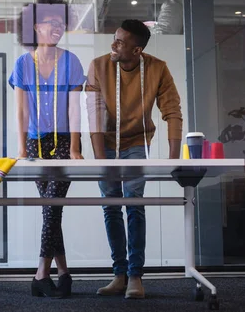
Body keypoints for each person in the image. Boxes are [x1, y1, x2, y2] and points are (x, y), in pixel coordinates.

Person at [85, 19, 182, 299]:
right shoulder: (99, 66)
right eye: (114, 39)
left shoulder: (157, 68)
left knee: (134, 202)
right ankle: (119, 274)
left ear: (137, 50)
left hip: (137, 141)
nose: (113, 45)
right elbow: (93, 115)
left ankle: (135, 276)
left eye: (120, 42)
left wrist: (174, 159)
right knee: (111, 205)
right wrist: (101, 161)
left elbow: (172, 111)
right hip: (104, 142)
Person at [9, 0, 85, 298]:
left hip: (64, 143)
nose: (58, 28)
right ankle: (64, 273)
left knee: (52, 206)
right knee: (51, 209)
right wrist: (21, 149)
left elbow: (76, 110)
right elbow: (21, 112)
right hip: (34, 144)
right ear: (35, 26)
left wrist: (76, 147)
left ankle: (41, 273)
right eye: (52, 22)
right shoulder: (23, 64)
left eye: (61, 23)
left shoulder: (71, 61)